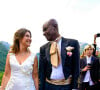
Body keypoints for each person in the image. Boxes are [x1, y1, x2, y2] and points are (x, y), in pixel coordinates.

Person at [39, 19, 80, 90]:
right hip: (48, 86)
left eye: (45, 29)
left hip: (66, 87)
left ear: (55, 27)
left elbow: (76, 68)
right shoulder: (43, 48)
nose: (44, 33)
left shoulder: (73, 43)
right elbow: (42, 72)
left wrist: (74, 88)